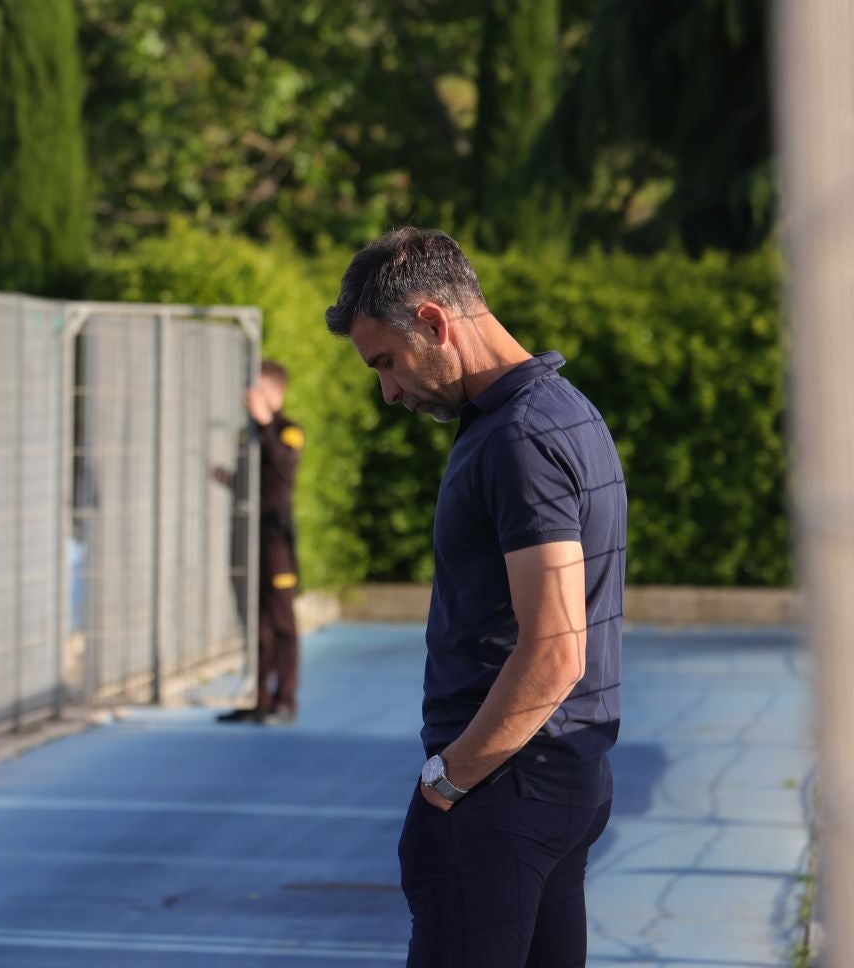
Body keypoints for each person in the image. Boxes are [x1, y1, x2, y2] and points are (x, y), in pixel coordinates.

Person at [324, 227, 625, 968]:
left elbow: (555, 648)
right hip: (560, 778)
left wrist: (447, 782)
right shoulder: (564, 412)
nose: (389, 391)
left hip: (506, 788)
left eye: (387, 363)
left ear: (433, 321)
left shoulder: (518, 438)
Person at [215, 359, 303, 726]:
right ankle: (258, 698)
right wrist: (227, 479)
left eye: (261, 391)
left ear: (277, 393)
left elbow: (284, 469)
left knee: (282, 624)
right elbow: (252, 482)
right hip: (246, 537)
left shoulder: (287, 431)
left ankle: (284, 700)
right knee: (254, 624)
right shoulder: (248, 432)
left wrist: (265, 422)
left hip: (275, 540)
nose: (252, 399)